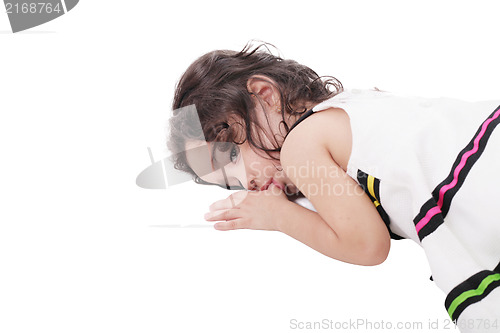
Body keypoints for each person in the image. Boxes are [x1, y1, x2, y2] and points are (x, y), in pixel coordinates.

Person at [167, 42, 500, 332]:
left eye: (233, 155)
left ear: (265, 95)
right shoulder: (355, 105)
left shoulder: (301, 147)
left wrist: (279, 215)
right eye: (231, 183)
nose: (247, 184)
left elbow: (367, 245)